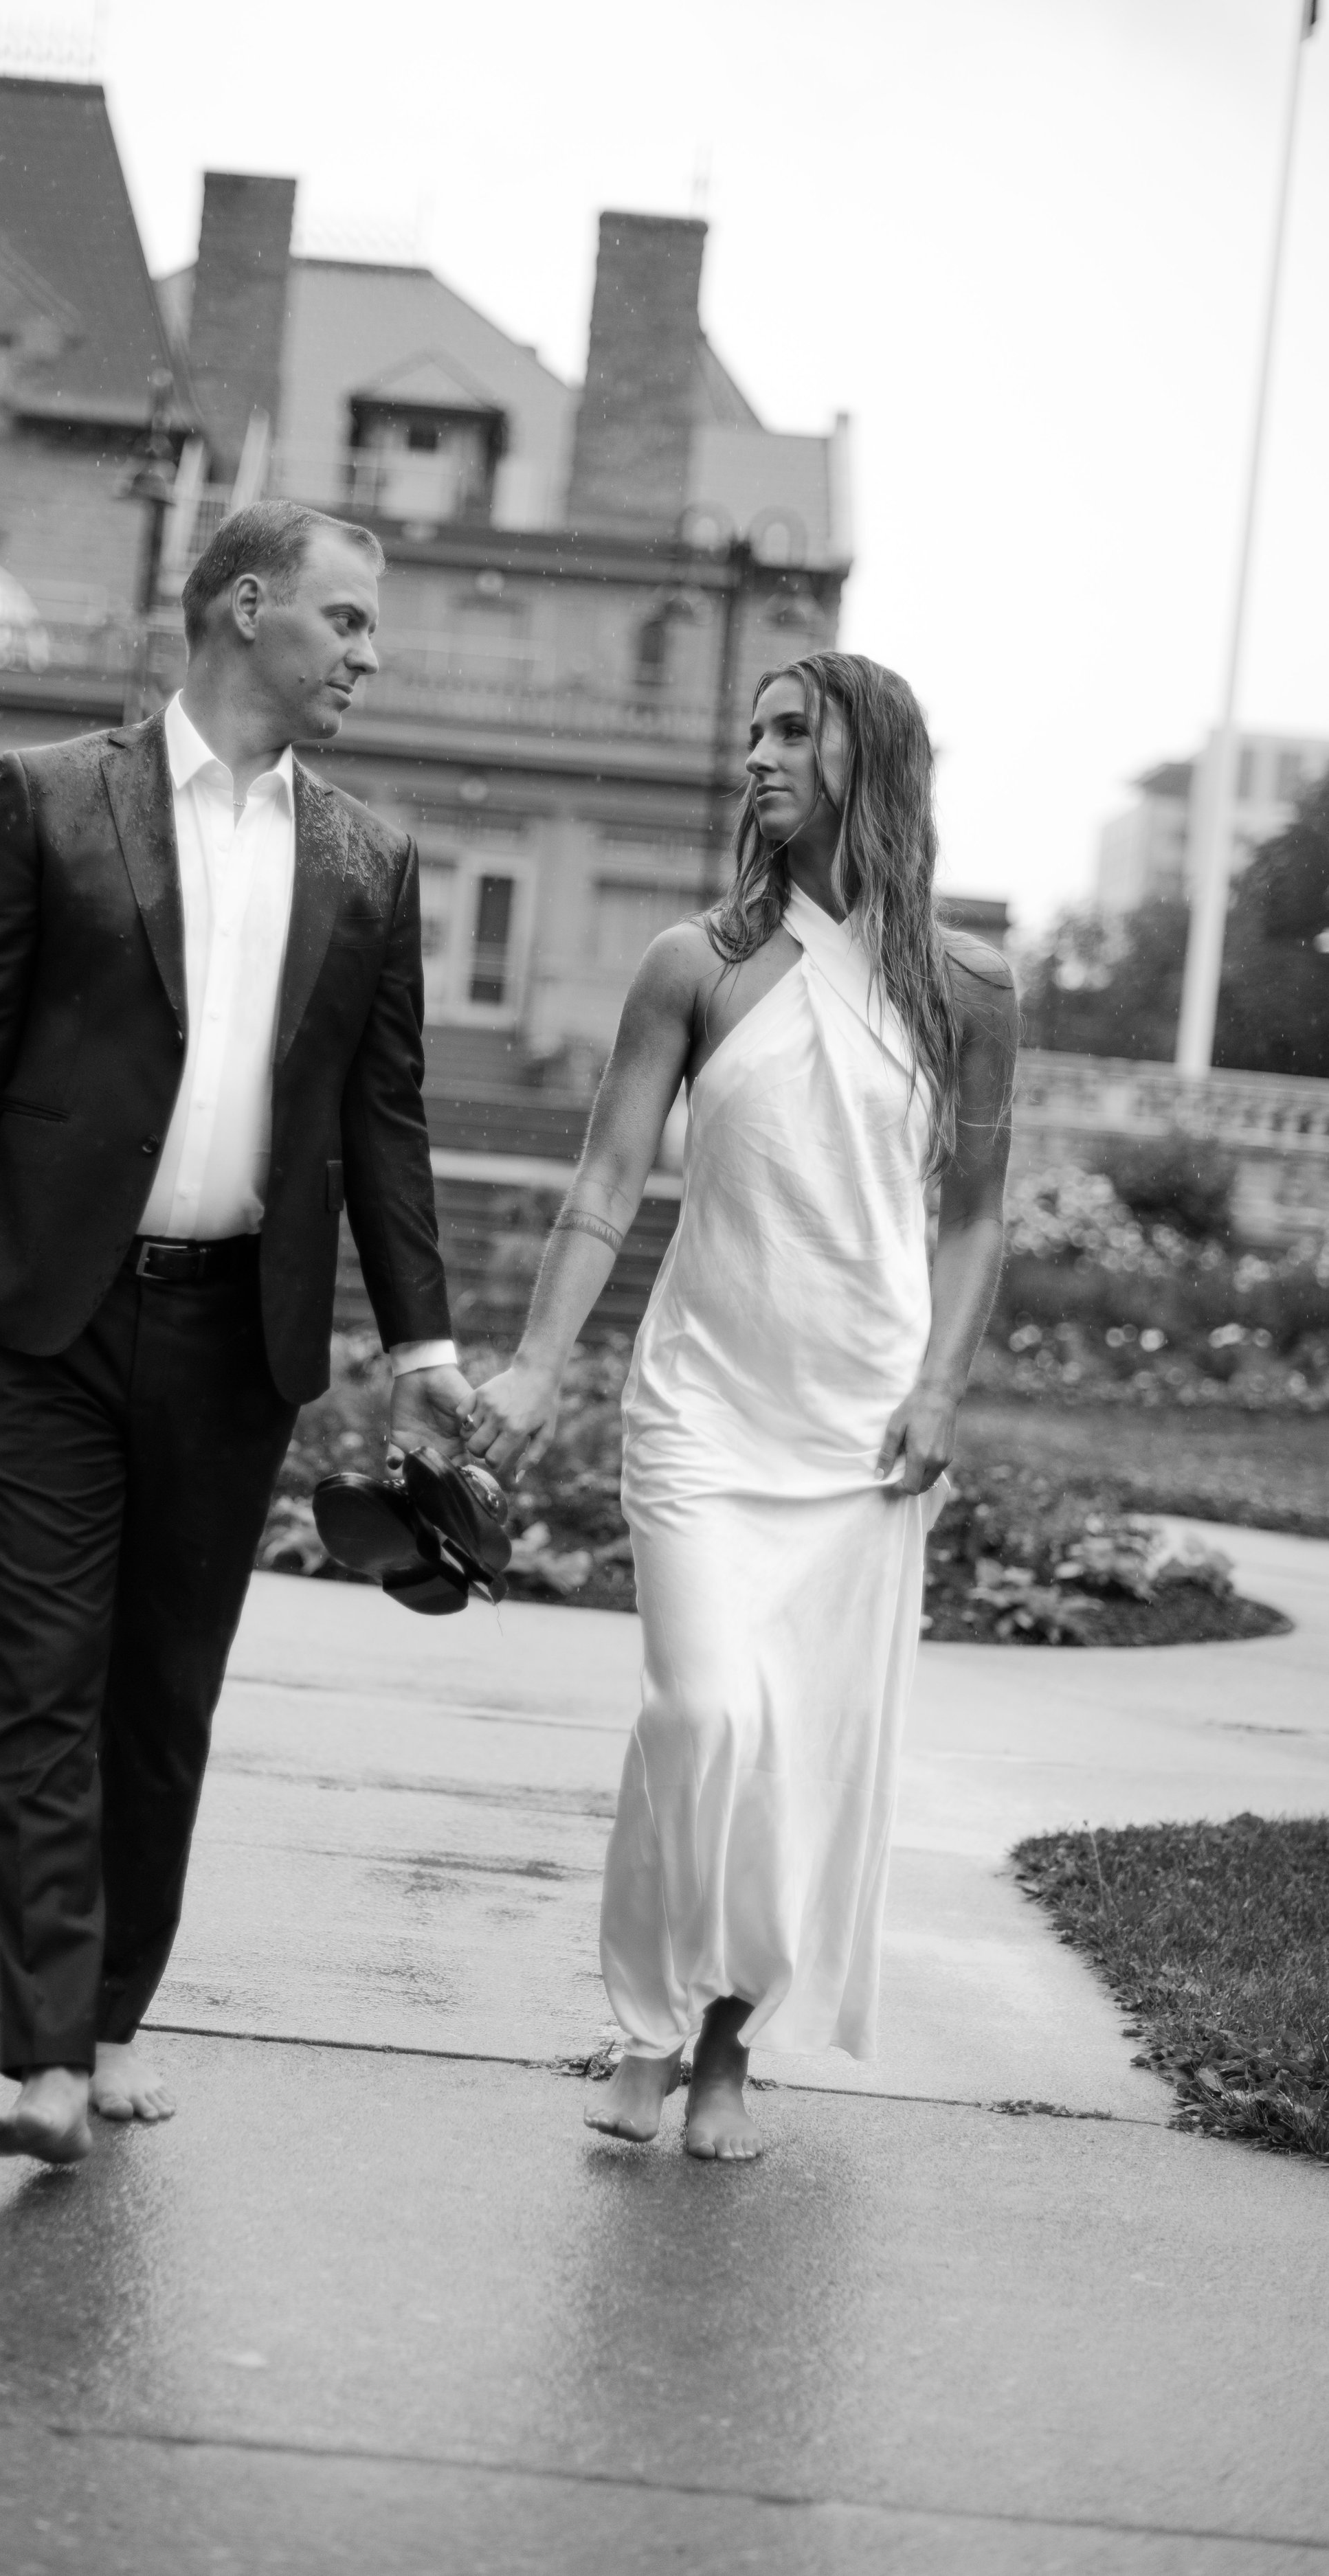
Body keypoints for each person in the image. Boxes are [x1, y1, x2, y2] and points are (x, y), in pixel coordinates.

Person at [0, 501, 474, 2163]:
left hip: (232, 1338)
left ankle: (112, 2023)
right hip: (42, 1319)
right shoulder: (48, 803)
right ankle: (42, 2059)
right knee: (42, 1677)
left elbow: (383, 1127)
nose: (367, 655)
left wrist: (425, 1351)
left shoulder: (369, 860)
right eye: (343, 620)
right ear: (243, 610)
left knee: (162, 1696)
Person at [467, 651, 1017, 2159]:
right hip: (702, 1406)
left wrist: (937, 1389)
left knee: (799, 1761)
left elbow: (973, 1216)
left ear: (871, 761)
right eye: (754, 734)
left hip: (858, 1439)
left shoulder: (968, 991)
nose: (757, 757)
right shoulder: (692, 964)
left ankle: (719, 2050)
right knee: (702, 1713)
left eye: (793, 732)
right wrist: (533, 1360)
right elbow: (601, 1185)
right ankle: (640, 2015)